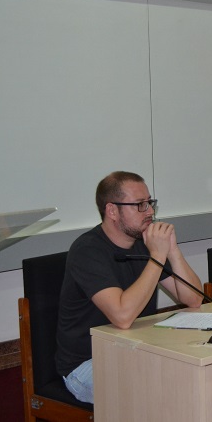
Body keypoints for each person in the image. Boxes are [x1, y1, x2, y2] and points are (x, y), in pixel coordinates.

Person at [56, 171, 202, 404]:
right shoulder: (87, 250)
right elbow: (122, 317)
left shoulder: (142, 245)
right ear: (112, 210)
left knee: (196, 377)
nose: (151, 212)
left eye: (150, 203)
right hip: (88, 363)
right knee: (165, 394)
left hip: (136, 349)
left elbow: (193, 299)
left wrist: (172, 251)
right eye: (140, 205)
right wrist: (156, 255)